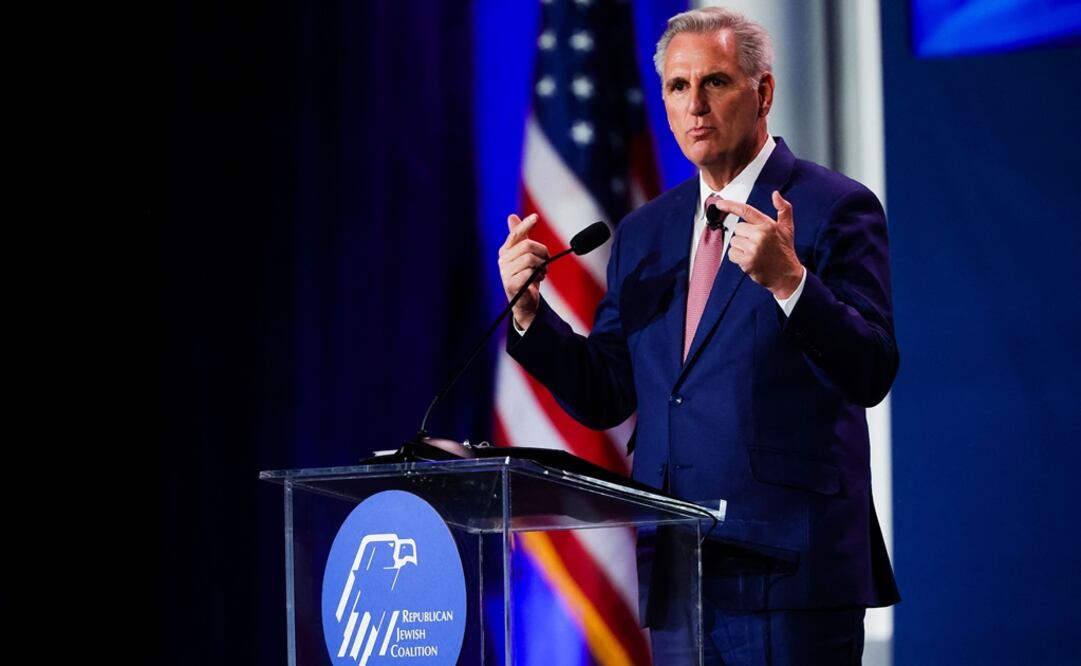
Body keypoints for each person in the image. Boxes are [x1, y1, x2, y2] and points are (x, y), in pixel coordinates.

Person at [497, 7, 899, 665]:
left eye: (715, 82)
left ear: (763, 92)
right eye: (677, 87)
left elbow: (871, 369)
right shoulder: (645, 232)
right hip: (679, 568)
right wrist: (531, 318)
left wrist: (790, 283)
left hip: (789, 572)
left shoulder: (834, 207)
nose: (694, 106)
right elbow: (606, 391)